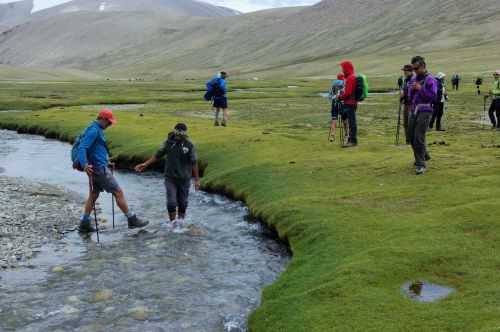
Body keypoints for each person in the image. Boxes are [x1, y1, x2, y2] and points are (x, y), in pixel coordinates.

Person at [78, 109, 148, 233]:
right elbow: (83, 147)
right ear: (103, 119)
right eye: (109, 122)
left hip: (98, 166)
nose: (109, 125)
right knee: (118, 192)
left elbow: (95, 149)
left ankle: (84, 222)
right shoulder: (94, 130)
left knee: (94, 195)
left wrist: (106, 161)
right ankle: (132, 219)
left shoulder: (95, 128)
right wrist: (84, 165)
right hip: (99, 169)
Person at [135, 123, 201, 224]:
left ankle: (181, 224)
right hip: (170, 178)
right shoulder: (168, 142)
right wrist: (145, 164)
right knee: (171, 202)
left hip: (184, 179)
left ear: (184, 134)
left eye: (180, 135)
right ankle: (172, 225)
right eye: (176, 134)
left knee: (183, 203)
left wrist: (197, 180)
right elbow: (158, 155)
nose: (178, 137)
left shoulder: (189, 145)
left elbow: (194, 162)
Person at [407, 56, 438, 175]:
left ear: (423, 66)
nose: (414, 71)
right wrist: (410, 91)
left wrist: (420, 89)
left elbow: (433, 97)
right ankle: (424, 154)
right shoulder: (414, 79)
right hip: (415, 109)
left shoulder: (431, 79)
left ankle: (420, 164)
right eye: (413, 68)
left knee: (418, 137)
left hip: (426, 109)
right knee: (410, 135)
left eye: (416, 68)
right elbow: (411, 95)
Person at [338, 60, 358, 147]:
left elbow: (348, 93)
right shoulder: (351, 77)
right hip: (350, 103)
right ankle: (351, 140)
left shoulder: (350, 78)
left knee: (352, 122)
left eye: (343, 68)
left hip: (350, 103)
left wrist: (340, 97)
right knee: (349, 121)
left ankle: (352, 141)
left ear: (347, 68)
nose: (342, 70)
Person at [328, 72, 345, 142]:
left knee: (334, 119)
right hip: (342, 103)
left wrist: (334, 98)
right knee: (344, 119)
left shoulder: (333, 84)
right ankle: (347, 135)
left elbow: (330, 96)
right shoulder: (344, 83)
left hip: (334, 103)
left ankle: (332, 135)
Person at [400, 64, 414, 144]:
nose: (404, 72)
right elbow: (405, 90)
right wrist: (402, 97)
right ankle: (408, 140)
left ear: (410, 71)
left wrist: (405, 95)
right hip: (406, 103)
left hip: (411, 104)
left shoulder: (413, 79)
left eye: (405, 71)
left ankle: (410, 140)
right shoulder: (406, 80)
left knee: (409, 123)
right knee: (405, 123)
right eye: (404, 71)